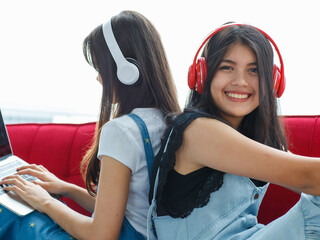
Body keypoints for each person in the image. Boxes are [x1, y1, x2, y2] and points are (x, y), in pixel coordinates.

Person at [0, 10, 180, 239]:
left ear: (127, 72)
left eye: (99, 69)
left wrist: (44, 201)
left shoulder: (122, 131)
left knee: (11, 212)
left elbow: (101, 234)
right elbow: (127, 214)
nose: (99, 79)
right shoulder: (167, 120)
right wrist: (66, 188)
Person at [147, 23, 320, 240]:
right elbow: (310, 177)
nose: (240, 81)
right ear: (201, 75)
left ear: (273, 82)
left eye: (254, 70)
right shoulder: (198, 131)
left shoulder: (252, 135)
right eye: (227, 67)